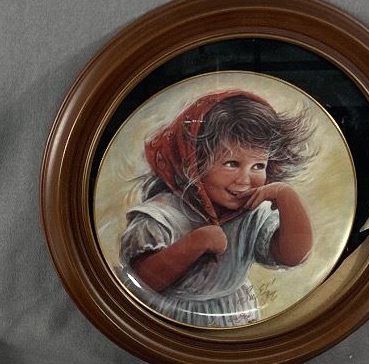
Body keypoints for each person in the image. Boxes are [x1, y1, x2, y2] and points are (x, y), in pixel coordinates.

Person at [119, 90, 316, 328]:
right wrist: (196, 242)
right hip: (170, 317)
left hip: (232, 313)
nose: (245, 180)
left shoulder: (252, 212)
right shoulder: (162, 215)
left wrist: (286, 196)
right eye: (232, 164)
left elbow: (293, 256)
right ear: (193, 164)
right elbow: (142, 279)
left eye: (258, 166)